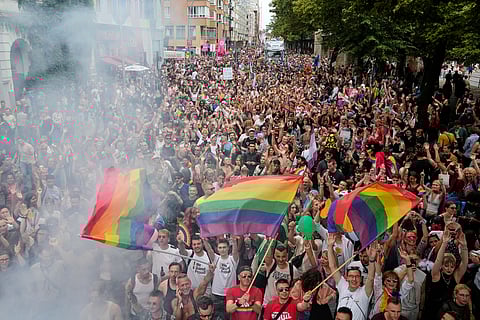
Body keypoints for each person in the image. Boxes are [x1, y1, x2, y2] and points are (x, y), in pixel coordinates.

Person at [328, 233, 375, 320]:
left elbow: (371, 278)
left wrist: (371, 259)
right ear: (346, 277)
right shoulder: (343, 286)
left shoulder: (365, 292)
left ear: (361, 279)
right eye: (351, 276)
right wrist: (330, 247)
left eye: (357, 276)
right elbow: (333, 267)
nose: (354, 279)